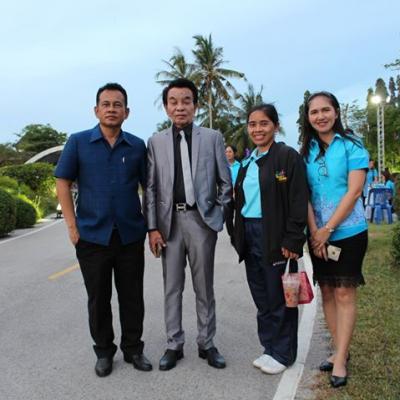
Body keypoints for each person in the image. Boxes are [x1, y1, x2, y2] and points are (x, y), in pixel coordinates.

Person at [55, 83, 152, 377]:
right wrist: (72, 226)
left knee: (132, 297)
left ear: (127, 112)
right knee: (98, 299)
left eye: (117, 104)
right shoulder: (78, 142)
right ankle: (104, 352)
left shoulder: (137, 146)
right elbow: (62, 181)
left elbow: (148, 187)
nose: (112, 109)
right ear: (96, 110)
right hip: (92, 237)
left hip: (129, 235)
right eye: (106, 104)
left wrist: (150, 226)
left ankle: (133, 349)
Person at [145, 78, 232, 371]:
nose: (180, 107)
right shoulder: (156, 142)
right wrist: (152, 228)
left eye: (186, 101)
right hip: (168, 224)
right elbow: (151, 188)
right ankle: (174, 344)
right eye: (173, 101)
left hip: (201, 221)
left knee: (204, 286)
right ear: (166, 106)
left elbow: (225, 183)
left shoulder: (212, 138)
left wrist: (216, 216)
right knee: (172, 287)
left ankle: (207, 343)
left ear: (195, 105)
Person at [228, 104, 308, 375]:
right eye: (252, 124)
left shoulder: (287, 157)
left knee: (279, 296)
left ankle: (284, 353)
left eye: (264, 123)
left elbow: (298, 199)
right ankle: (269, 348)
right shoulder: (248, 162)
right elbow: (239, 201)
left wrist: (293, 239)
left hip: (274, 235)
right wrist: (235, 233)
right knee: (262, 296)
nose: (258, 129)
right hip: (250, 234)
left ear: (275, 126)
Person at [300, 91, 369, 388]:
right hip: (317, 234)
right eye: (314, 112)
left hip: (349, 232)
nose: (320, 116)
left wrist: (327, 229)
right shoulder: (306, 151)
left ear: (336, 112)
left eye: (325, 110)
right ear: (308, 118)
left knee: (344, 293)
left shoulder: (353, 145)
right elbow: (304, 195)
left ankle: (340, 360)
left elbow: (354, 192)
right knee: (327, 291)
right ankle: (340, 349)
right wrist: (315, 230)